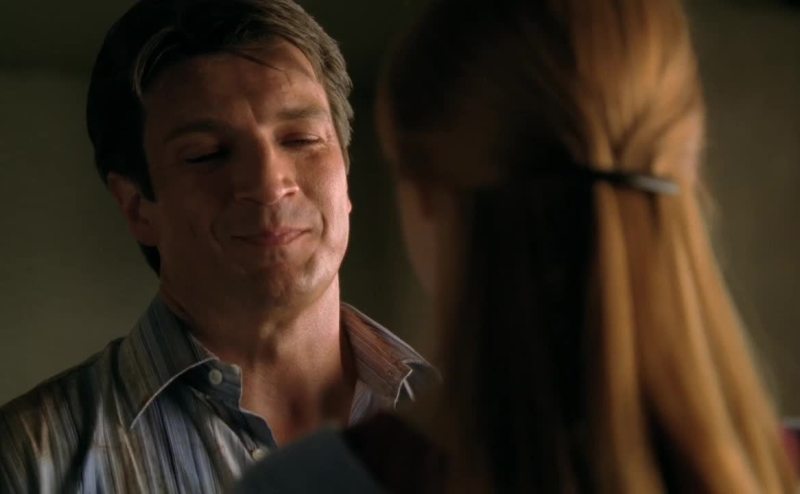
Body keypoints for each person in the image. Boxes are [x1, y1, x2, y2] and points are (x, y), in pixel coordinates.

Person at [237, 0, 799, 492]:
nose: (269, 184)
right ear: (691, 169)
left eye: (302, 139)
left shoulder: (306, 485)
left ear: (423, 195)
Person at [0, 0, 435, 492]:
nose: (270, 184)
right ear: (138, 208)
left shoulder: (475, 422)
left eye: (300, 139)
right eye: (207, 155)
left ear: (345, 173)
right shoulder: (31, 462)